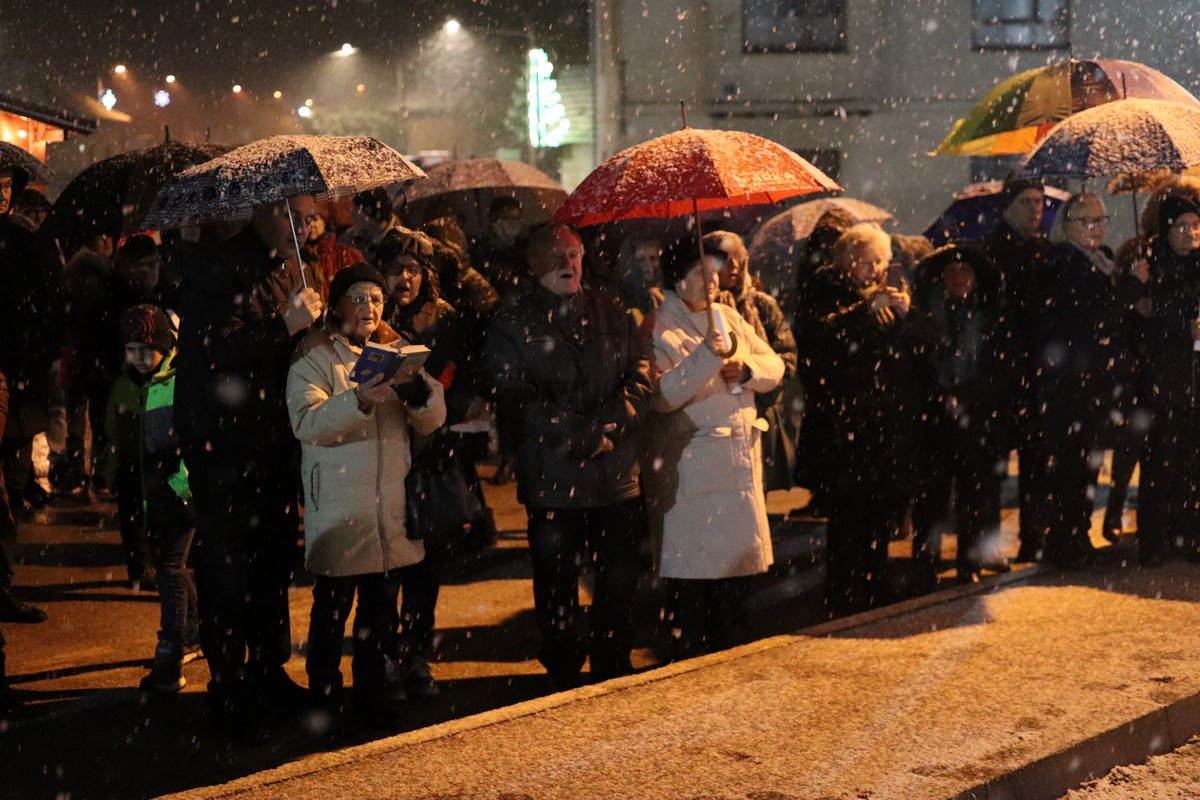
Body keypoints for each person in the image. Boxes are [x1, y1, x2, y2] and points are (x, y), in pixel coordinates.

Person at [174, 194, 324, 734]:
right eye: (291, 217)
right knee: (227, 563)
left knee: (273, 557)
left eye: (308, 219)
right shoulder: (218, 268)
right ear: (262, 210)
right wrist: (285, 326)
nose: (302, 228)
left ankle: (267, 668)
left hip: (274, 437)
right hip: (224, 441)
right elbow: (216, 350)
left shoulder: (294, 268)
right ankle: (229, 682)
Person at [486, 224, 653, 688]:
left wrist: (611, 424)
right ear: (533, 264)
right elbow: (515, 397)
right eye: (556, 255)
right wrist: (581, 435)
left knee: (618, 577)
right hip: (554, 482)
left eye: (575, 253)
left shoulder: (611, 309)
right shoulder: (513, 321)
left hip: (615, 475)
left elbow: (640, 375)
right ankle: (562, 667)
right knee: (557, 582)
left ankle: (612, 659)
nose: (569, 263)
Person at [288, 264, 445, 730]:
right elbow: (306, 422)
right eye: (358, 298)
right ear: (336, 305)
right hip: (340, 507)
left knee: (380, 611)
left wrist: (418, 395)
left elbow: (433, 417)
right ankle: (324, 695)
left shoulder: (396, 349)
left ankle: (374, 692)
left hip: (387, 506)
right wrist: (357, 400)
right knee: (332, 608)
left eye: (375, 299)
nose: (369, 308)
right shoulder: (314, 353)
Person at [641, 239, 784, 660]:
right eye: (701, 274)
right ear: (678, 279)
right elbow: (662, 396)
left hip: (737, 467)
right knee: (695, 581)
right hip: (694, 473)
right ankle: (691, 660)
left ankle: (728, 655)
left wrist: (748, 369)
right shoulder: (658, 326)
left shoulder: (729, 316)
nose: (713, 281)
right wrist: (706, 355)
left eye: (715, 273)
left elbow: (775, 364)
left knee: (733, 583)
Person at [377, 227, 496, 698]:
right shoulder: (370, 315)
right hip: (383, 453)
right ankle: (385, 656)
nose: (404, 279)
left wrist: (447, 403)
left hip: (431, 455)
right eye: (394, 270)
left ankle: (415, 653)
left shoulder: (447, 318)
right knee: (383, 567)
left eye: (412, 270)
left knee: (425, 565)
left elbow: (473, 374)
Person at [793, 223, 923, 611]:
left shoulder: (882, 295)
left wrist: (908, 313)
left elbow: (914, 350)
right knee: (847, 515)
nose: (876, 270)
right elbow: (821, 339)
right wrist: (866, 310)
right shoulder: (823, 289)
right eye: (869, 262)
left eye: (881, 262)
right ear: (848, 259)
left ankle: (876, 582)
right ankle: (845, 592)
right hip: (843, 424)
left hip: (881, 425)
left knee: (880, 510)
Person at [909, 244, 1017, 585]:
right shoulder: (927, 315)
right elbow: (917, 366)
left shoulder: (990, 317)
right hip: (935, 421)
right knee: (931, 498)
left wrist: (966, 397)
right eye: (952, 271)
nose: (958, 277)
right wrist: (939, 397)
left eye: (965, 271)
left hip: (978, 420)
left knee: (974, 494)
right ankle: (924, 565)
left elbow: (1001, 370)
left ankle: (968, 564)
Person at [1036, 192, 1135, 568]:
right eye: (1087, 221)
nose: (1096, 228)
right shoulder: (1065, 263)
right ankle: (1065, 542)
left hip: (1091, 382)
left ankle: (1077, 537)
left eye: (1100, 220)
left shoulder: (1100, 262)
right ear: (1068, 226)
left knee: (1087, 464)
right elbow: (1092, 320)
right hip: (1070, 384)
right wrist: (1130, 289)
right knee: (1071, 466)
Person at [104, 305, 200, 690]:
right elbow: (114, 433)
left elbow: (195, 436)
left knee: (168, 568)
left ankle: (170, 657)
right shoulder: (124, 384)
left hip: (176, 491)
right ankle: (194, 632)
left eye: (147, 349)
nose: (140, 357)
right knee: (170, 565)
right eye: (132, 350)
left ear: (165, 346)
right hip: (144, 492)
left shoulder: (180, 381)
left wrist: (183, 482)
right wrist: (113, 473)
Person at [978, 178, 1056, 563]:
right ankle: (989, 545)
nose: (1035, 208)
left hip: (1034, 370)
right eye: (1027, 201)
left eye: (1039, 201)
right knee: (994, 464)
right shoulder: (992, 251)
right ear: (1008, 206)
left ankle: (1033, 537)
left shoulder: (1043, 248)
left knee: (1035, 458)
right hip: (1003, 371)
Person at [0, 161, 57, 623]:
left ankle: (0, 583)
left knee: (11, 484)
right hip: (11, 379)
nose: (1, 193)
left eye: (6, 185)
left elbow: (47, 310)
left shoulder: (23, 242)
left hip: (15, 386)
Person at [1131, 193, 1200, 566]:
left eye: (1196, 225)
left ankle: (1186, 533)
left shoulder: (1196, 265)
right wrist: (1182, 330)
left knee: (1191, 462)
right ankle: (1154, 540)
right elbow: (1146, 324)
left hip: (1193, 377)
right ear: (1166, 229)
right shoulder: (1150, 265)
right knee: (1160, 461)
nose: (1191, 233)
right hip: (1163, 380)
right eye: (1182, 226)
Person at [705, 230, 798, 492]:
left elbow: (786, 357)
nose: (733, 265)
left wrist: (755, 380)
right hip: (718, 418)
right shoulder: (699, 310)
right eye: (724, 258)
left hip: (759, 412)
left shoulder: (761, 305)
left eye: (737, 257)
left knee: (756, 490)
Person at [470, 197, 529, 302]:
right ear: (495, 222)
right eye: (508, 218)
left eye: (518, 218)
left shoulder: (526, 248)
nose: (514, 223)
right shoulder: (480, 249)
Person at [301, 208, 363, 300]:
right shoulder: (296, 256)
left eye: (315, 219)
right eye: (307, 220)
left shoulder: (347, 254)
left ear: (324, 222)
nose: (311, 224)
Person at [339, 188, 401, 264]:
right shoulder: (348, 237)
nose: (351, 215)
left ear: (371, 217)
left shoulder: (403, 244)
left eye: (357, 210)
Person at [614, 234, 666, 324]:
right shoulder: (624, 297)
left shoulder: (668, 292)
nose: (649, 265)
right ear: (631, 263)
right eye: (641, 260)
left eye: (653, 258)